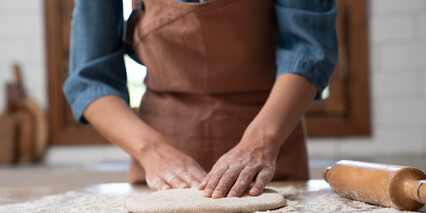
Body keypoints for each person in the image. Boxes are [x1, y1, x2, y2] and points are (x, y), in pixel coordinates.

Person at [64, 0, 338, 199]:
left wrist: (263, 141)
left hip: (272, 137)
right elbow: (89, 79)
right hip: (161, 149)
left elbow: (309, 51)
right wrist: (152, 150)